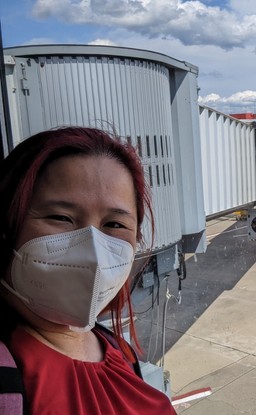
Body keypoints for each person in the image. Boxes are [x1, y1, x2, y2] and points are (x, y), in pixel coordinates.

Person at [0, 127, 177, 414]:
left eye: (114, 224)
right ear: (7, 226)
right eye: (61, 217)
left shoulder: (118, 350)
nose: (93, 249)